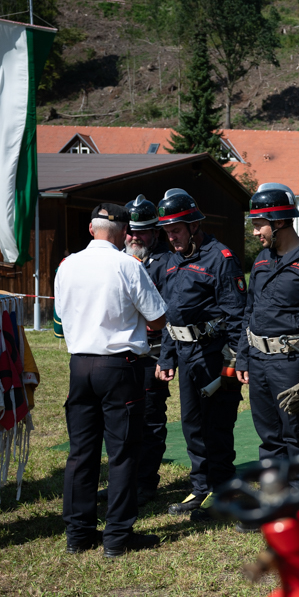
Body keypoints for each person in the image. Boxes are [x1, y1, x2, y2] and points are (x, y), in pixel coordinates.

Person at [56, 204, 166, 557]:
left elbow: (60, 316)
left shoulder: (68, 264)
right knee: (122, 453)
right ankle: (117, 536)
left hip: (80, 364)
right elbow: (158, 318)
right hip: (119, 365)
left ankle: (78, 534)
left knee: (81, 453)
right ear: (123, 232)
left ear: (91, 229)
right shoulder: (127, 265)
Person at [154, 189, 247, 520]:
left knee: (216, 424)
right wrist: (166, 357)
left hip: (214, 354)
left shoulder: (220, 258)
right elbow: (171, 315)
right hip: (184, 353)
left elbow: (237, 315)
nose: (171, 238)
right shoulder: (172, 261)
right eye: (167, 232)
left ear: (194, 226)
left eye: (176, 231)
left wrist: (238, 360)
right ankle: (200, 487)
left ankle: (222, 490)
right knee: (192, 424)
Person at [236, 183, 299, 491]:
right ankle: (275, 497)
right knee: (268, 437)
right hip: (258, 361)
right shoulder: (261, 260)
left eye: (259, 225)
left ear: (279, 222)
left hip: (292, 363)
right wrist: (243, 356)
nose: (254, 232)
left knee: (297, 437)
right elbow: (249, 311)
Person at [124, 194, 173, 503]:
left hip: (152, 354)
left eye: (141, 232)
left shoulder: (167, 264)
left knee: (150, 420)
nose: (134, 237)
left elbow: (169, 316)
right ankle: (125, 481)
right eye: (130, 231)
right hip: (120, 354)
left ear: (155, 232)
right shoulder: (119, 261)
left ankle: (145, 483)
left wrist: (165, 358)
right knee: (121, 421)